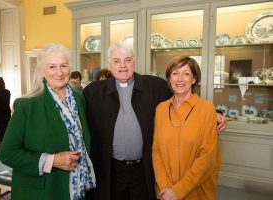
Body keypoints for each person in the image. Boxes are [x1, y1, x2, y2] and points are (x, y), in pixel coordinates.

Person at [83, 42, 226, 200]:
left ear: (134, 62)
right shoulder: (94, 92)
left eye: (128, 60)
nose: (122, 65)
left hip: (144, 171)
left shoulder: (154, 86)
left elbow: (182, 94)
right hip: (110, 171)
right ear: (109, 65)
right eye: (117, 61)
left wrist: (215, 113)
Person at [0, 43, 96, 200]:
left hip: (78, 188)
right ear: (42, 71)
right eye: (52, 67)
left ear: (69, 68)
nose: (59, 72)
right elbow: (8, 154)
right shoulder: (27, 105)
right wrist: (52, 160)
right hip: (42, 192)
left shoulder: (79, 99)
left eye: (63, 66)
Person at [152, 56, 220, 200]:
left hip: (195, 192)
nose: (180, 79)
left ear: (194, 79)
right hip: (165, 192)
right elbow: (156, 150)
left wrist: (177, 191)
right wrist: (165, 187)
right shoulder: (161, 109)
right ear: (169, 78)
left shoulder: (207, 109)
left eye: (186, 73)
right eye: (175, 73)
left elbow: (207, 158)